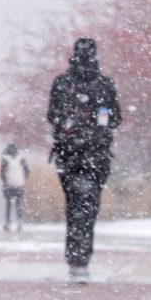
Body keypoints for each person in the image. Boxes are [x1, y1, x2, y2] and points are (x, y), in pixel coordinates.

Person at [48, 37, 121, 283]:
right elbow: (114, 119)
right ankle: (81, 258)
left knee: (74, 207)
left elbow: (52, 116)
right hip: (96, 156)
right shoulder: (105, 85)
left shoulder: (62, 83)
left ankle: (75, 258)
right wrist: (97, 126)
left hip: (69, 157)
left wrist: (69, 128)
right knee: (89, 209)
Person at [0, 143, 30, 232]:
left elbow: (1, 173)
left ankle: (7, 223)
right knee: (18, 204)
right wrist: (23, 180)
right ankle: (19, 223)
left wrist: (5, 183)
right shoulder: (21, 159)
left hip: (9, 185)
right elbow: (27, 171)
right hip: (19, 184)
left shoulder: (5, 159)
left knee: (8, 205)